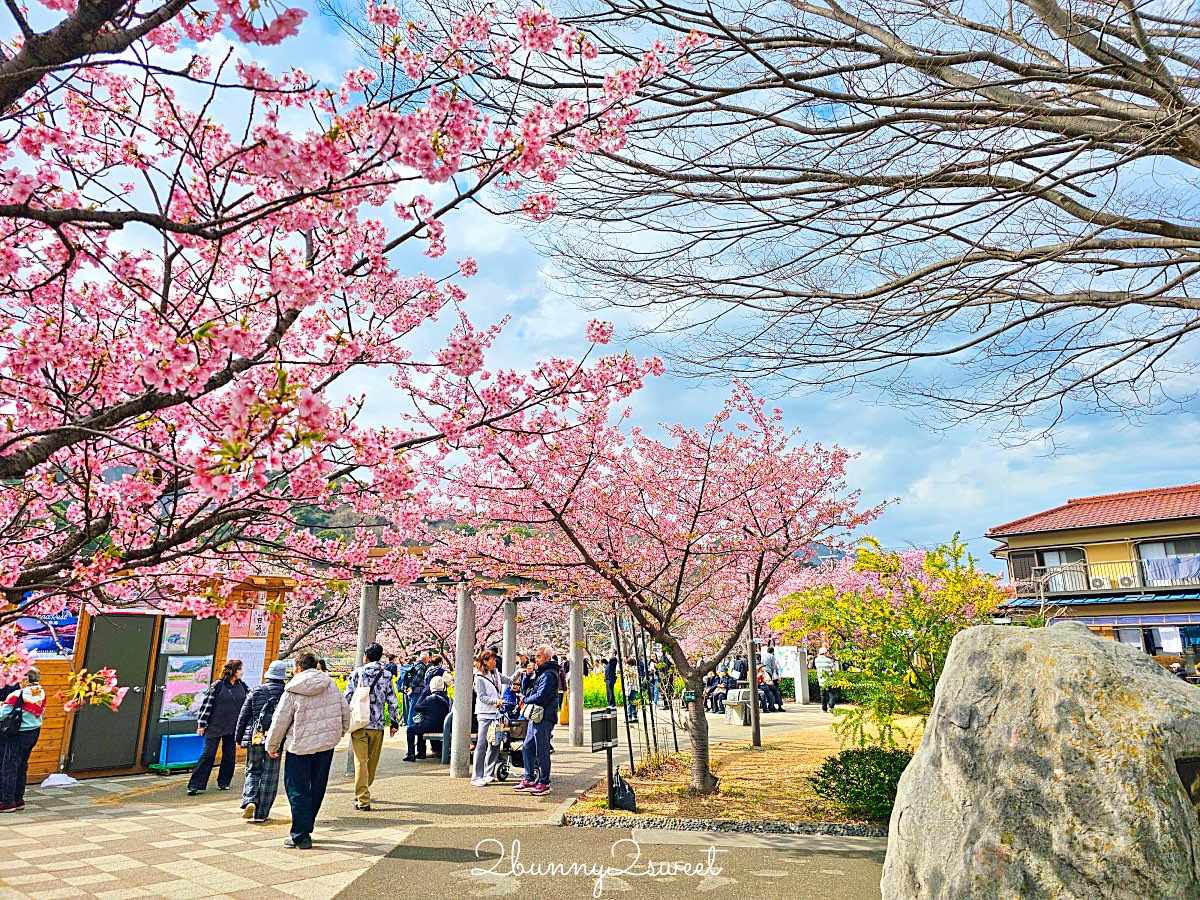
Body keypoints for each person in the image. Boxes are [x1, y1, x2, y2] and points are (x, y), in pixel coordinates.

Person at [265, 651, 351, 850]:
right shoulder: (330, 684)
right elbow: (345, 711)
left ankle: (300, 835)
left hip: (299, 747)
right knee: (317, 786)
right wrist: (340, 732)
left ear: (298, 667)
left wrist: (271, 745)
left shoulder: (293, 689)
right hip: (325, 747)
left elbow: (280, 721)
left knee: (297, 789)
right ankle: (305, 827)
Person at [344, 642, 399, 811]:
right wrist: (394, 722)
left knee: (361, 761)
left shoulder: (357, 673)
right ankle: (363, 793)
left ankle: (362, 796)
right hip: (378, 724)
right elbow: (392, 700)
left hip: (360, 723)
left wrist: (343, 720)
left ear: (366, 656)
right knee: (372, 762)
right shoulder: (387, 674)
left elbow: (347, 697)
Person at [236, 659, 289, 823]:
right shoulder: (288, 693)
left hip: (257, 737)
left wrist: (239, 738)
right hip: (276, 738)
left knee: (253, 769)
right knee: (270, 775)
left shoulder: (257, 690)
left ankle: (250, 799)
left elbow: (243, 716)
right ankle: (262, 813)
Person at [188, 659, 250, 795]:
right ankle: (195, 784)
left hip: (233, 726)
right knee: (208, 754)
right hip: (215, 725)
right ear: (233, 671)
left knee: (229, 755)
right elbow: (206, 706)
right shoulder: (218, 686)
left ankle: (224, 782)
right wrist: (202, 724)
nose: (241, 672)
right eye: (239, 669)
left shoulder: (243, 686)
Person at [513, 645, 560, 797]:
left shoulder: (549, 674)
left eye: (539, 656)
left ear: (547, 658)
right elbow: (526, 690)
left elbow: (540, 695)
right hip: (536, 716)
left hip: (545, 716)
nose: (536, 659)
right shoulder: (540, 673)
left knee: (542, 750)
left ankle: (544, 782)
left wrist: (525, 700)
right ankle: (529, 777)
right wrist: (527, 675)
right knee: (527, 746)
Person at [0, 668, 45, 813]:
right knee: (22, 766)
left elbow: (2, 715)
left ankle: (7, 802)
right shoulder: (40, 692)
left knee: (9, 767)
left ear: (26, 679)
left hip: (17, 734)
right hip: (33, 733)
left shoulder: (16, 694)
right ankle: (19, 799)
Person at [472, 650, 509, 786]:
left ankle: (489, 773)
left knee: (495, 743)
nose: (495, 662)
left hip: (496, 715)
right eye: (492, 660)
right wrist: (495, 701)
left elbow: (510, 680)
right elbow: (482, 697)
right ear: (485, 662)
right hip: (484, 715)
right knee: (482, 744)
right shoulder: (479, 677)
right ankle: (477, 776)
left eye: (495, 659)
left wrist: (521, 672)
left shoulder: (496, 674)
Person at [405, 676, 450, 760]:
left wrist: (423, 694)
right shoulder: (447, 699)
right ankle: (421, 752)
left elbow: (417, 707)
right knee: (420, 727)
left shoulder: (429, 699)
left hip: (428, 726)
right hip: (443, 727)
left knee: (411, 729)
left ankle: (412, 754)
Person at [405, 651, 430, 725]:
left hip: (411, 690)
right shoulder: (421, 666)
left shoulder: (415, 664)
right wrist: (412, 686)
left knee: (411, 707)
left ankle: (410, 725)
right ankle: (411, 726)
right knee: (414, 708)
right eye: (428, 658)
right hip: (416, 690)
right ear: (425, 659)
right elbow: (418, 677)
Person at [815, 646, 838, 712]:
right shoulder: (829, 660)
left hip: (821, 680)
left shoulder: (816, 660)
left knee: (823, 695)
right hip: (829, 679)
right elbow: (833, 670)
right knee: (832, 693)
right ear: (825, 653)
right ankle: (831, 705)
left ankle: (824, 708)